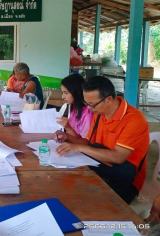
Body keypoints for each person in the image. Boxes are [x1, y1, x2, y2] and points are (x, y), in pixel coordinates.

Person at [55, 76, 149, 204]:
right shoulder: (99, 114)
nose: (88, 108)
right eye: (86, 103)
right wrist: (68, 138)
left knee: (79, 199)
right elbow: (90, 144)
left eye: (92, 104)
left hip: (123, 179)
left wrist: (79, 147)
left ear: (108, 99)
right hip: (100, 166)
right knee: (63, 182)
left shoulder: (133, 120)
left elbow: (118, 157)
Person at [53, 74, 93, 140]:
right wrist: (62, 135)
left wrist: (68, 128)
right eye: (62, 93)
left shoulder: (88, 113)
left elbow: (85, 142)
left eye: (66, 93)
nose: (63, 97)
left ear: (76, 92)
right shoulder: (73, 107)